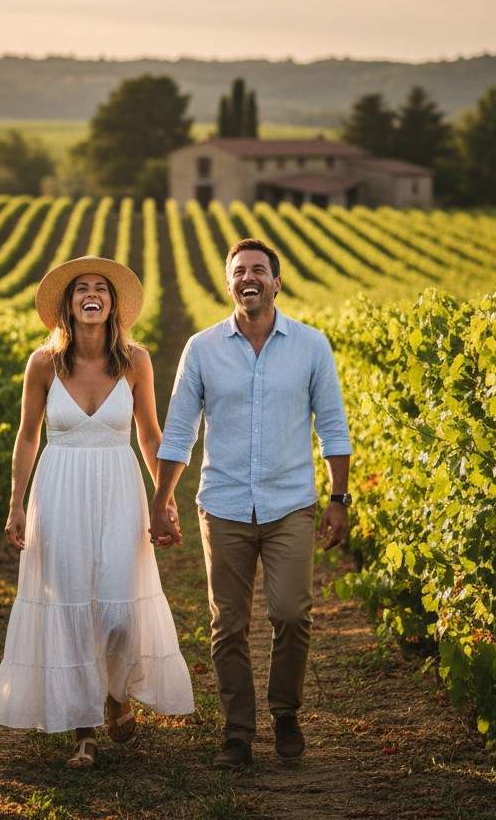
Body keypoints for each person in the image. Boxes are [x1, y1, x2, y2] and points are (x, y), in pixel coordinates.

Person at [149, 237, 352, 767]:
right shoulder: (201, 348)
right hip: (224, 505)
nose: (249, 278)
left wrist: (339, 497)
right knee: (228, 625)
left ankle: (285, 712)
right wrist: (161, 501)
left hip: (291, 504)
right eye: (239, 271)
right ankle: (238, 733)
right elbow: (178, 434)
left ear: (276, 282)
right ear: (229, 283)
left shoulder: (311, 346)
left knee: (292, 612)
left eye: (258, 270)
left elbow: (333, 428)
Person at [0, 256, 194, 767]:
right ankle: (84, 732)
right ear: (68, 303)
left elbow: (149, 433)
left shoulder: (136, 362)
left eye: (101, 287)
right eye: (82, 288)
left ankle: (116, 692)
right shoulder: (42, 364)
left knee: (121, 609)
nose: (91, 294)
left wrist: (163, 499)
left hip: (118, 486)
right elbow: (27, 435)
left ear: (113, 303)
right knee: (71, 605)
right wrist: (15, 504)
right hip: (58, 489)